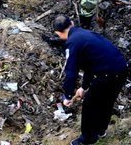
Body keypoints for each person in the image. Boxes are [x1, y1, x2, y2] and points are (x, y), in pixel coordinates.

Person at [53, 15, 127, 145]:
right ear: (71, 23)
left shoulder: (72, 42)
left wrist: (68, 95)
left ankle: (87, 139)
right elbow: (89, 65)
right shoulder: (84, 34)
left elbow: (71, 72)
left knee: (89, 107)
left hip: (107, 74)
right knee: (106, 103)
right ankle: (100, 131)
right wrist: (84, 87)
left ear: (58, 33)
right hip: (121, 68)